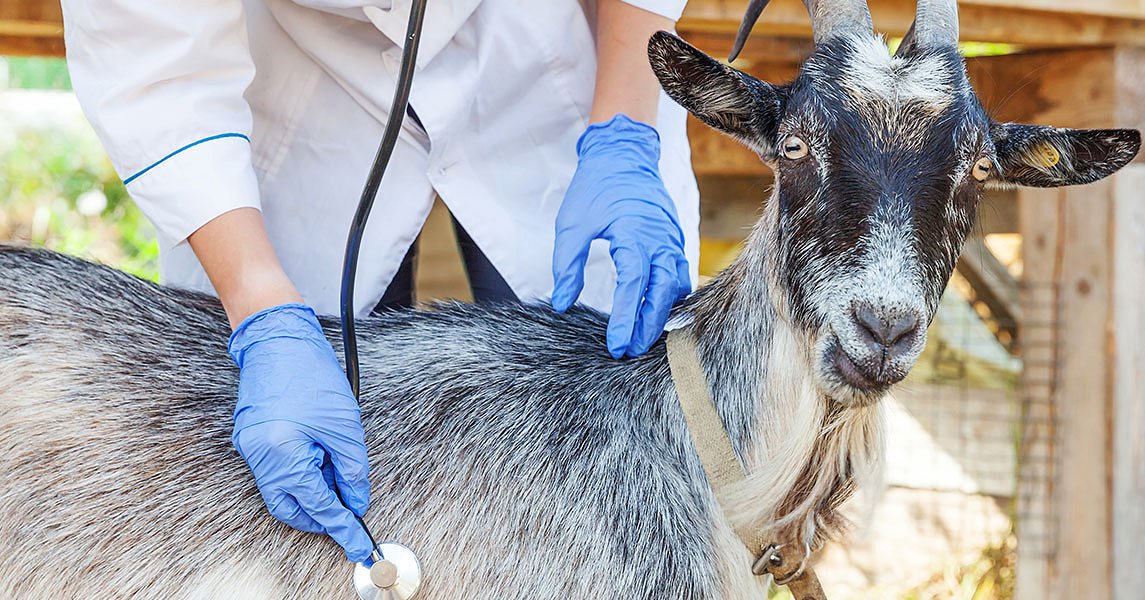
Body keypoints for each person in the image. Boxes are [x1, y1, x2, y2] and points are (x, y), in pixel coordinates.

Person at [60, 0, 698, 563]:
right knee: (290, 498)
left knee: (618, 448)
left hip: (539, 52)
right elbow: (153, 62)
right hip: (301, 79)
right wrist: (262, 308)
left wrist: (624, 132)